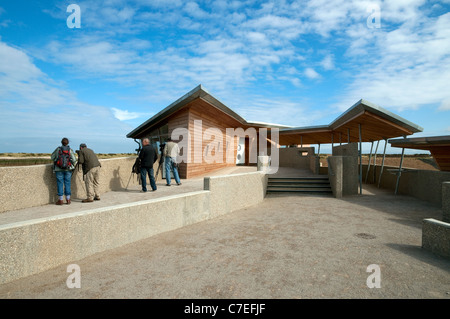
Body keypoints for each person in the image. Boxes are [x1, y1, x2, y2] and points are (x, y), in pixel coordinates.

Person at [51, 137, 77, 205]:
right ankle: (68, 199)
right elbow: (74, 160)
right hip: (68, 169)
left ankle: (61, 200)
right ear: (67, 143)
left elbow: (52, 157)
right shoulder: (70, 150)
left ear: (61, 142)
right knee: (67, 183)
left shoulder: (58, 149)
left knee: (60, 183)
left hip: (58, 169)